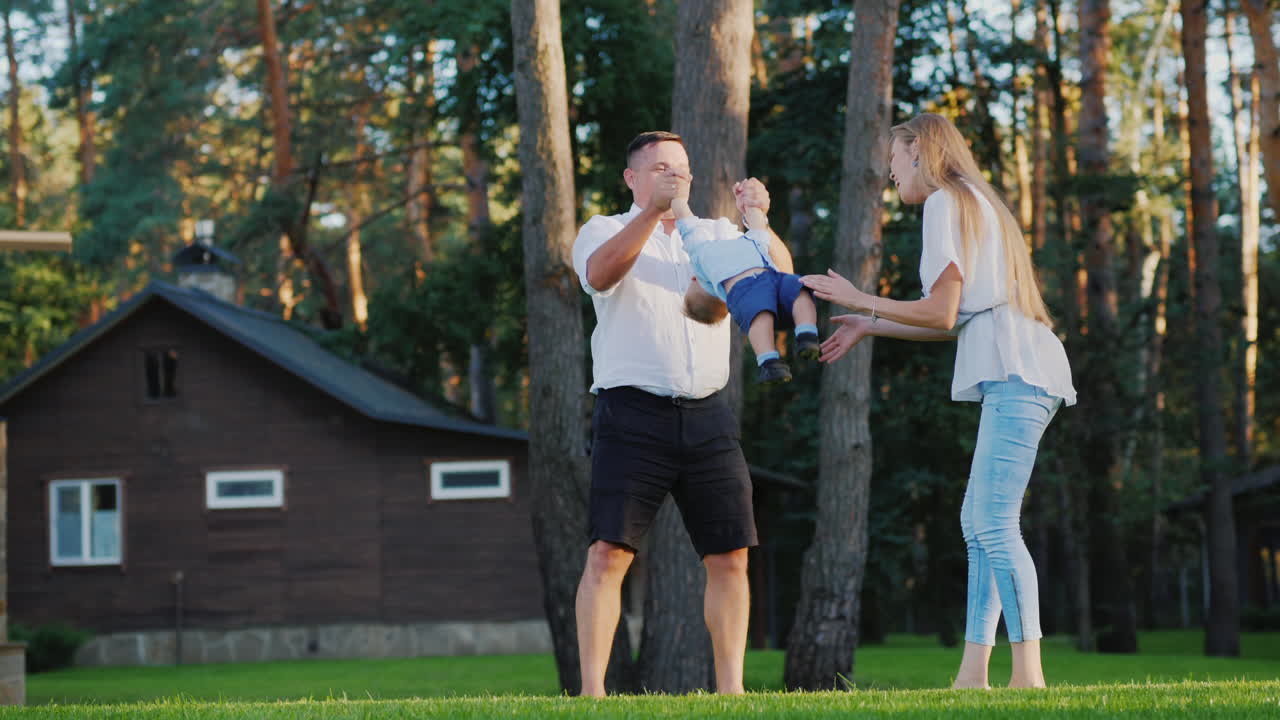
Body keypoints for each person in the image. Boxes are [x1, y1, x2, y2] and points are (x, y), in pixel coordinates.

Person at [802, 113, 1076, 689]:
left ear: (921, 153)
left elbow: (942, 313)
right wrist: (869, 323)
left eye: (895, 161)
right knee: (976, 522)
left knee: (995, 523)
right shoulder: (973, 199)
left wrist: (859, 296)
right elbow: (951, 319)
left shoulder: (944, 203)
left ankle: (1029, 676)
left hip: (1016, 368)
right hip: (1019, 364)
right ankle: (971, 675)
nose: (890, 173)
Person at [570, 130, 793, 697]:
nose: (677, 178)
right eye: (663, 169)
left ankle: (732, 692)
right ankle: (592, 695)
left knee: (731, 555)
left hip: (707, 417)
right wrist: (651, 213)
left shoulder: (716, 234)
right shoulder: (603, 228)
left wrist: (759, 220)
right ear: (633, 178)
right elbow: (598, 275)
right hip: (630, 414)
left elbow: (778, 279)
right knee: (608, 554)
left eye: (684, 170)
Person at [671, 194, 820, 384]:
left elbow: (757, 226)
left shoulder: (724, 246)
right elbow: (686, 220)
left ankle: (806, 333)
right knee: (761, 314)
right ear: (704, 282)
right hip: (748, 287)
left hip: (773, 279)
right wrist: (676, 199)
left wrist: (750, 204)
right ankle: (768, 361)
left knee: (800, 289)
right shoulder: (702, 256)